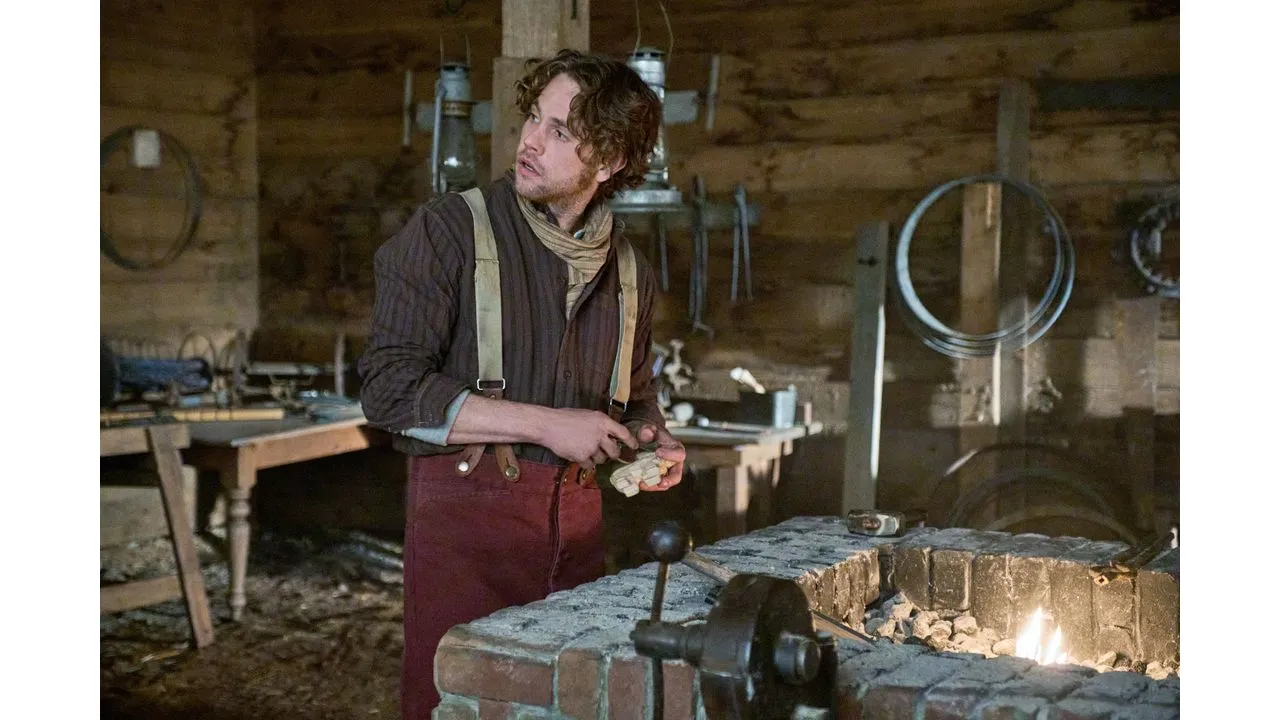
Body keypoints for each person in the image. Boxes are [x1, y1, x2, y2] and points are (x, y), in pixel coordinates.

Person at [357, 48, 687, 718]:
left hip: (580, 540)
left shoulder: (629, 270)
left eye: (562, 132)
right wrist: (545, 424)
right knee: (459, 703)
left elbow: (637, 397)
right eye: (534, 118)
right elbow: (388, 391)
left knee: (566, 706)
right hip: (465, 537)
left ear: (613, 161)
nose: (530, 141)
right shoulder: (449, 230)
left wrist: (653, 436)